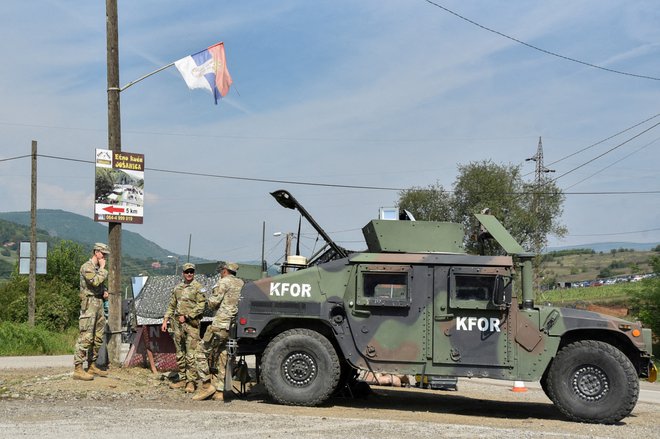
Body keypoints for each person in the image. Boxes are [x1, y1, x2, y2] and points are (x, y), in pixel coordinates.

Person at [192, 262, 244, 401]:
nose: (221, 272)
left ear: (225, 271)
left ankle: (206, 385)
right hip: (233, 326)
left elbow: (214, 303)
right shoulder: (241, 283)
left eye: (221, 270)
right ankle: (220, 392)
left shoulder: (223, 282)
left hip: (220, 324)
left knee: (200, 352)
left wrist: (208, 298)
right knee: (223, 355)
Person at [161, 262, 207, 393]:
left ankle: (191, 382)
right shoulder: (178, 288)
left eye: (191, 271)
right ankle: (182, 379)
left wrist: (187, 316)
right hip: (177, 324)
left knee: (191, 354)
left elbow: (202, 306)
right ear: (183, 273)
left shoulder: (198, 288)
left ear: (194, 273)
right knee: (180, 352)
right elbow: (171, 305)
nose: (189, 274)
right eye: (187, 272)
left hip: (191, 325)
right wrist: (165, 320)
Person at [73, 243, 111, 381]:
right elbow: (95, 281)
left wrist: (104, 291)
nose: (105, 256)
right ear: (96, 252)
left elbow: (100, 285)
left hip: (99, 303)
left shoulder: (96, 268)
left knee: (98, 337)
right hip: (89, 305)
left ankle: (92, 365)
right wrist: (102, 268)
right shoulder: (87, 267)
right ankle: (78, 368)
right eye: (103, 253)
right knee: (86, 336)